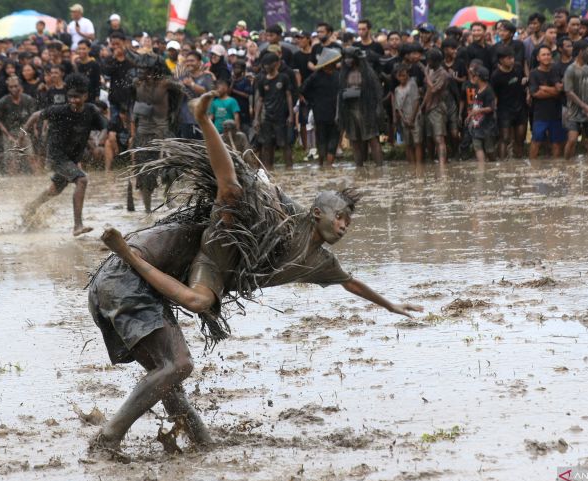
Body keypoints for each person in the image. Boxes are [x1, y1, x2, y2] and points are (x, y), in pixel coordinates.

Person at [90, 89, 423, 452]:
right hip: (126, 272)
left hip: (144, 281)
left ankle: (201, 442)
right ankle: (108, 439)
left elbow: (352, 283)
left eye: (348, 221)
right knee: (177, 365)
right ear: (318, 214)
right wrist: (213, 130)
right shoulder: (278, 215)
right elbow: (241, 181)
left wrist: (392, 306)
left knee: (169, 372)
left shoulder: (321, 262)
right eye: (339, 217)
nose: (344, 225)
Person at [22, 73, 106, 236]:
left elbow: (104, 127)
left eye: (77, 97)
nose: (73, 101)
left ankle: (30, 208)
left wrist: (99, 143)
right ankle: (78, 225)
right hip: (56, 156)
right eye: (71, 97)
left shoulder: (91, 111)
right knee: (82, 180)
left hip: (72, 158)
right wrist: (21, 134)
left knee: (55, 190)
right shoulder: (59, 110)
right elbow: (35, 116)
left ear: (85, 96)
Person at [127, 53, 183, 212]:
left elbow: (181, 91)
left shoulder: (166, 84)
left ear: (153, 71)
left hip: (163, 131)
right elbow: (132, 109)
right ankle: (147, 210)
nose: (142, 73)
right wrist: (132, 134)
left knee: (173, 168)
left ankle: (168, 194)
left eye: (145, 70)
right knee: (144, 174)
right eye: (140, 69)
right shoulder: (136, 84)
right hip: (143, 133)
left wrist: (174, 113)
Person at [338, 47, 384, 166]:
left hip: (366, 110)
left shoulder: (367, 72)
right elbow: (339, 93)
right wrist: (338, 113)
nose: (347, 60)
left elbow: (378, 91)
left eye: (350, 57)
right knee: (354, 142)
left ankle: (379, 168)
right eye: (346, 58)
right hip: (350, 110)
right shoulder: (344, 73)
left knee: (373, 139)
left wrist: (378, 108)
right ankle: (359, 168)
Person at [301, 48, 341, 166]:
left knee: (332, 139)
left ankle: (327, 166)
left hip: (334, 113)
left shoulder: (337, 75)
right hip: (321, 112)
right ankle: (322, 164)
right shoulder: (316, 76)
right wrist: (313, 101)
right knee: (322, 138)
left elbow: (303, 89)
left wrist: (312, 100)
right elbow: (303, 89)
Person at [254, 52, 294, 169]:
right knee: (267, 145)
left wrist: (291, 115)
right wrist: (256, 118)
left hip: (281, 116)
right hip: (267, 117)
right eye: (265, 65)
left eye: (269, 65)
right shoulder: (262, 80)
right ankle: (269, 169)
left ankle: (289, 168)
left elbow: (289, 96)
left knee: (284, 144)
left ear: (276, 64)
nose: (267, 67)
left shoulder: (283, 78)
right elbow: (260, 100)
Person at [529, 46, 566, 159]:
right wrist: (554, 91)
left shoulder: (557, 70)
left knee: (556, 142)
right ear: (538, 58)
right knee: (536, 141)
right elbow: (535, 93)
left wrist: (544, 88)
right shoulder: (534, 73)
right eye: (543, 55)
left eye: (548, 54)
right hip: (540, 114)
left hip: (556, 113)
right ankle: (532, 166)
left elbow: (561, 90)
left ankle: (556, 167)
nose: (546, 57)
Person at [491, 45, 527, 158]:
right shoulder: (496, 76)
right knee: (505, 138)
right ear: (501, 60)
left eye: (512, 57)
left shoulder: (517, 68)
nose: (512, 60)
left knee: (520, 137)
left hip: (520, 107)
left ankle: (519, 160)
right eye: (508, 58)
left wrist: (525, 82)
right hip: (504, 110)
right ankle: (502, 163)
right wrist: (494, 110)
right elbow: (493, 95)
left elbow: (524, 79)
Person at [0, 76, 37, 174]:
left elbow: (33, 117)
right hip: (9, 132)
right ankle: (12, 184)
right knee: (11, 160)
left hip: (24, 131)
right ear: (8, 88)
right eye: (11, 87)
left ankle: (38, 178)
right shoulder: (3, 101)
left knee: (31, 157)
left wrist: (33, 129)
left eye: (15, 86)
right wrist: (8, 136)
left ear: (20, 87)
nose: (13, 89)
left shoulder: (28, 99)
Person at [422, 48, 450, 164]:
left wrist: (426, 74)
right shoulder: (431, 70)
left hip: (438, 107)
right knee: (430, 137)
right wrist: (422, 106)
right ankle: (432, 161)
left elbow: (433, 89)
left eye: (429, 61)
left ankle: (442, 165)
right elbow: (427, 92)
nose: (428, 63)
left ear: (436, 61)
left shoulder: (444, 74)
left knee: (439, 138)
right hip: (428, 107)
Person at [466, 66, 497, 164]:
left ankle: (492, 164)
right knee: (477, 146)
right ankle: (482, 167)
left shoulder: (488, 91)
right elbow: (475, 106)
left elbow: (491, 108)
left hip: (487, 125)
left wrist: (478, 111)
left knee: (489, 150)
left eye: (474, 76)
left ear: (479, 78)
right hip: (477, 124)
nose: (473, 78)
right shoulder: (477, 89)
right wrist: (470, 115)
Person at [393, 65, 422, 164]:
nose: (402, 78)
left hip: (415, 117)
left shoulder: (412, 85)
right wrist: (403, 119)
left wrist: (412, 119)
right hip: (404, 119)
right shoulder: (397, 89)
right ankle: (411, 165)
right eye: (400, 76)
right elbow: (398, 107)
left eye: (404, 75)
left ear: (407, 75)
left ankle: (418, 166)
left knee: (417, 142)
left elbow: (417, 101)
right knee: (408, 144)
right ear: (397, 77)